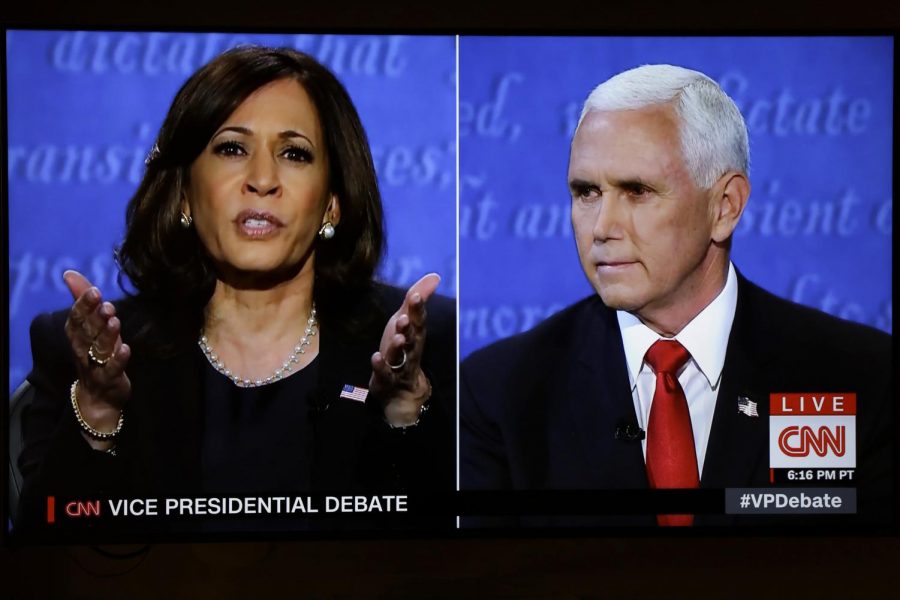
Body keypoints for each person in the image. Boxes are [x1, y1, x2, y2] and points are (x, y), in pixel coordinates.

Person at [17, 46, 455, 534]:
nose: (262, 180)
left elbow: (456, 559)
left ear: (332, 204)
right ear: (184, 192)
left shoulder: (429, 346)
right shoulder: (90, 354)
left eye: (294, 153)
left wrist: (404, 411)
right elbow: (42, 548)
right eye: (232, 148)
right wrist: (97, 412)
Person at [459, 64, 892, 528]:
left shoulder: (862, 377)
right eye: (586, 192)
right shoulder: (499, 394)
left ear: (725, 207)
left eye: (637, 191)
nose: (602, 228)